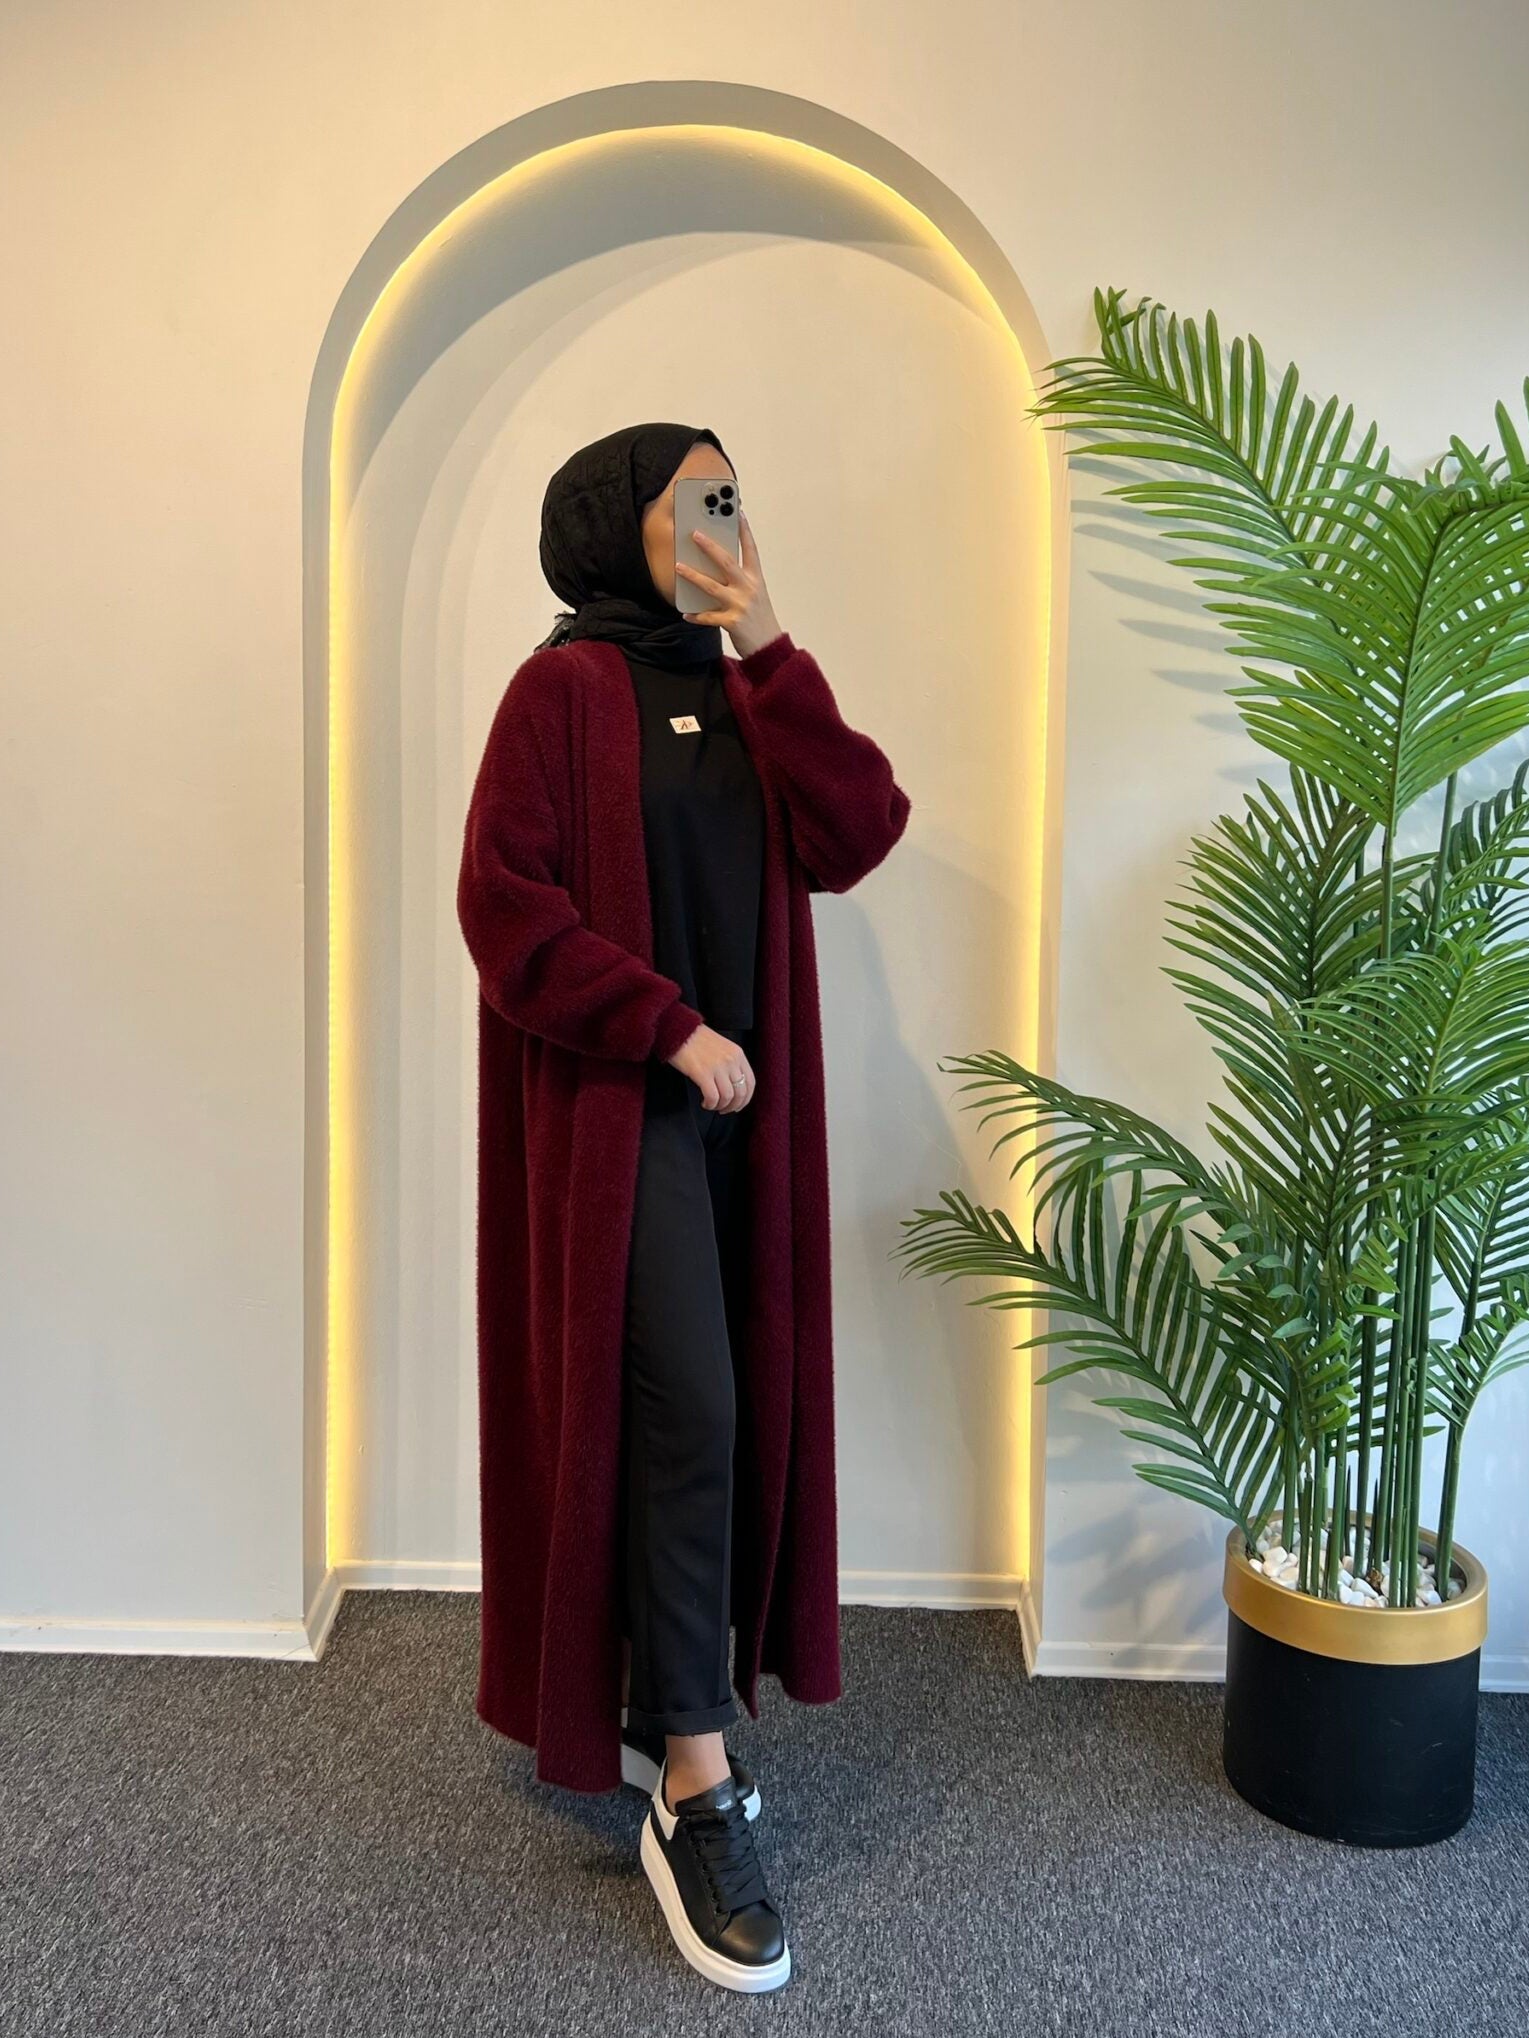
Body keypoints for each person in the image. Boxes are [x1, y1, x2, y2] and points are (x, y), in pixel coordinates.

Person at [457, 421, 910, 1994]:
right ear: (615, 521)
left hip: (743, 1120)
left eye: (735, 494)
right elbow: (504, 909)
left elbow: (859, 830)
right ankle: (692, 1791)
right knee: (688, 1409)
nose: (724, 517)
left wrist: (767, 638)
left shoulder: (741, 688)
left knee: (724, 1407)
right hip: (624, 1112)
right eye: (694, 495)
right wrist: (666, 1025)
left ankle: (674, 1703)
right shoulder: (557, 693)